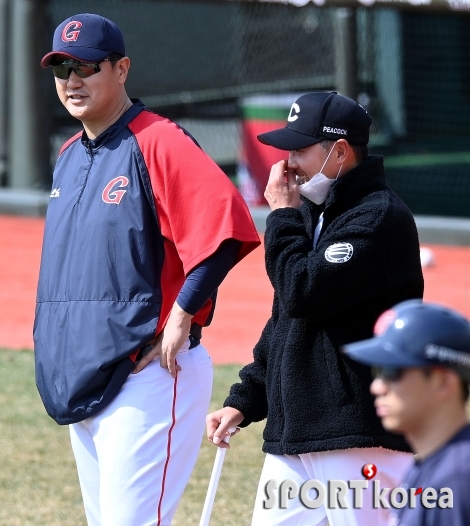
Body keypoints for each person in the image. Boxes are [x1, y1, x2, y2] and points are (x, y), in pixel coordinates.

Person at [34, 13, 260, 526]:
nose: (73, 80)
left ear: (122, 69)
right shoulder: (70, 153)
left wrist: (183, 315)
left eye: (87, 67)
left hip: (149, 375)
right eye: (61, 68)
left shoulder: (158, 141)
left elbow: (225, 228)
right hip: (89, 376)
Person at [206, 91, 424, 526]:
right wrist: (248, 398)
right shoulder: (313, 212)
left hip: (356, 430)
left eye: (300, 150)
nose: (287, 163)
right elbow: (286, 319)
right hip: (300, 430)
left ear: (339, 152)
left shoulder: (377, 217)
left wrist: (282, 218)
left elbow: (305, 290)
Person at [343, 300, 470, 526]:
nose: (377, 387)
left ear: (443, 382)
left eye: (392, 371)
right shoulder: (429, 466)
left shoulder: (456, 482)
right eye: (377, 371)